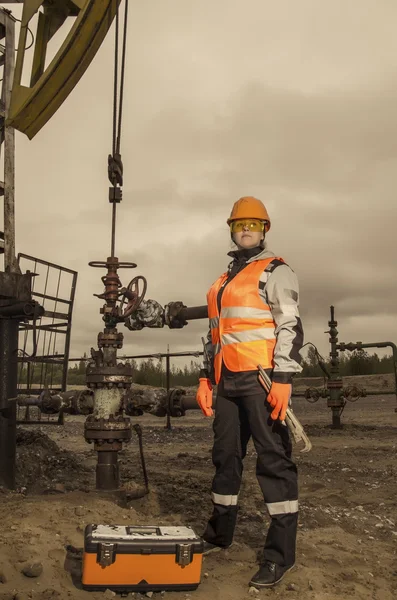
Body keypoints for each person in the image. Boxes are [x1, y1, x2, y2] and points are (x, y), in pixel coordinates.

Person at [196, 196, 304, 589]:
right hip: (226, 382)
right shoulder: (223, 281)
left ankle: (279, 556)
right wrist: (206, 379)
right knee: (225, 457)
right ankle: (218, 534)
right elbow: (214, 336)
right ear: (231, 228)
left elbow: (290, 326)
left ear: (264, 230)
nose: (246, 229)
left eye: (254, 225)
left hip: (261, 380)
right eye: (240, 224)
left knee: (273, 462)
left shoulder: (275, 271)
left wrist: (283, 378)